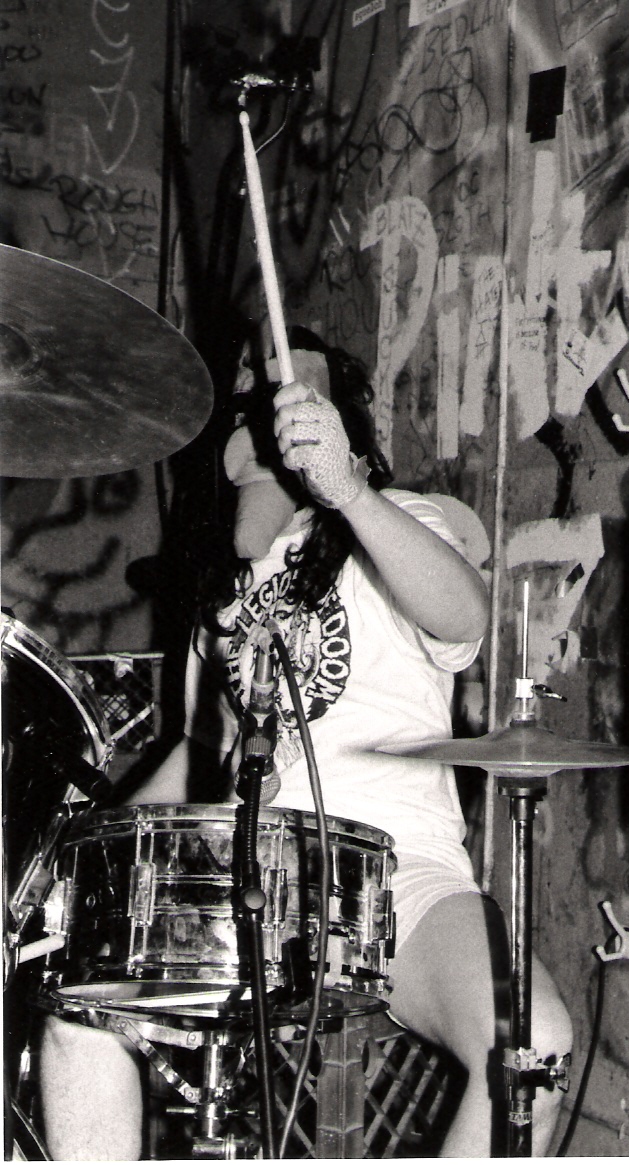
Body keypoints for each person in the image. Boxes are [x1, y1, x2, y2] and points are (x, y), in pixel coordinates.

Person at [39, 329, 572, 1159]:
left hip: (400, 882)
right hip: (244, 877)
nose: (276, 405)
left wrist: (351, 493)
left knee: (533, 1039)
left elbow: (464, 615)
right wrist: (76, 859)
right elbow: (196, 756)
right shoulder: (217, 598)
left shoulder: (395, 527)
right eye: (254, 395)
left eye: (300, 393)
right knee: (77, 1007)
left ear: (343, 429)